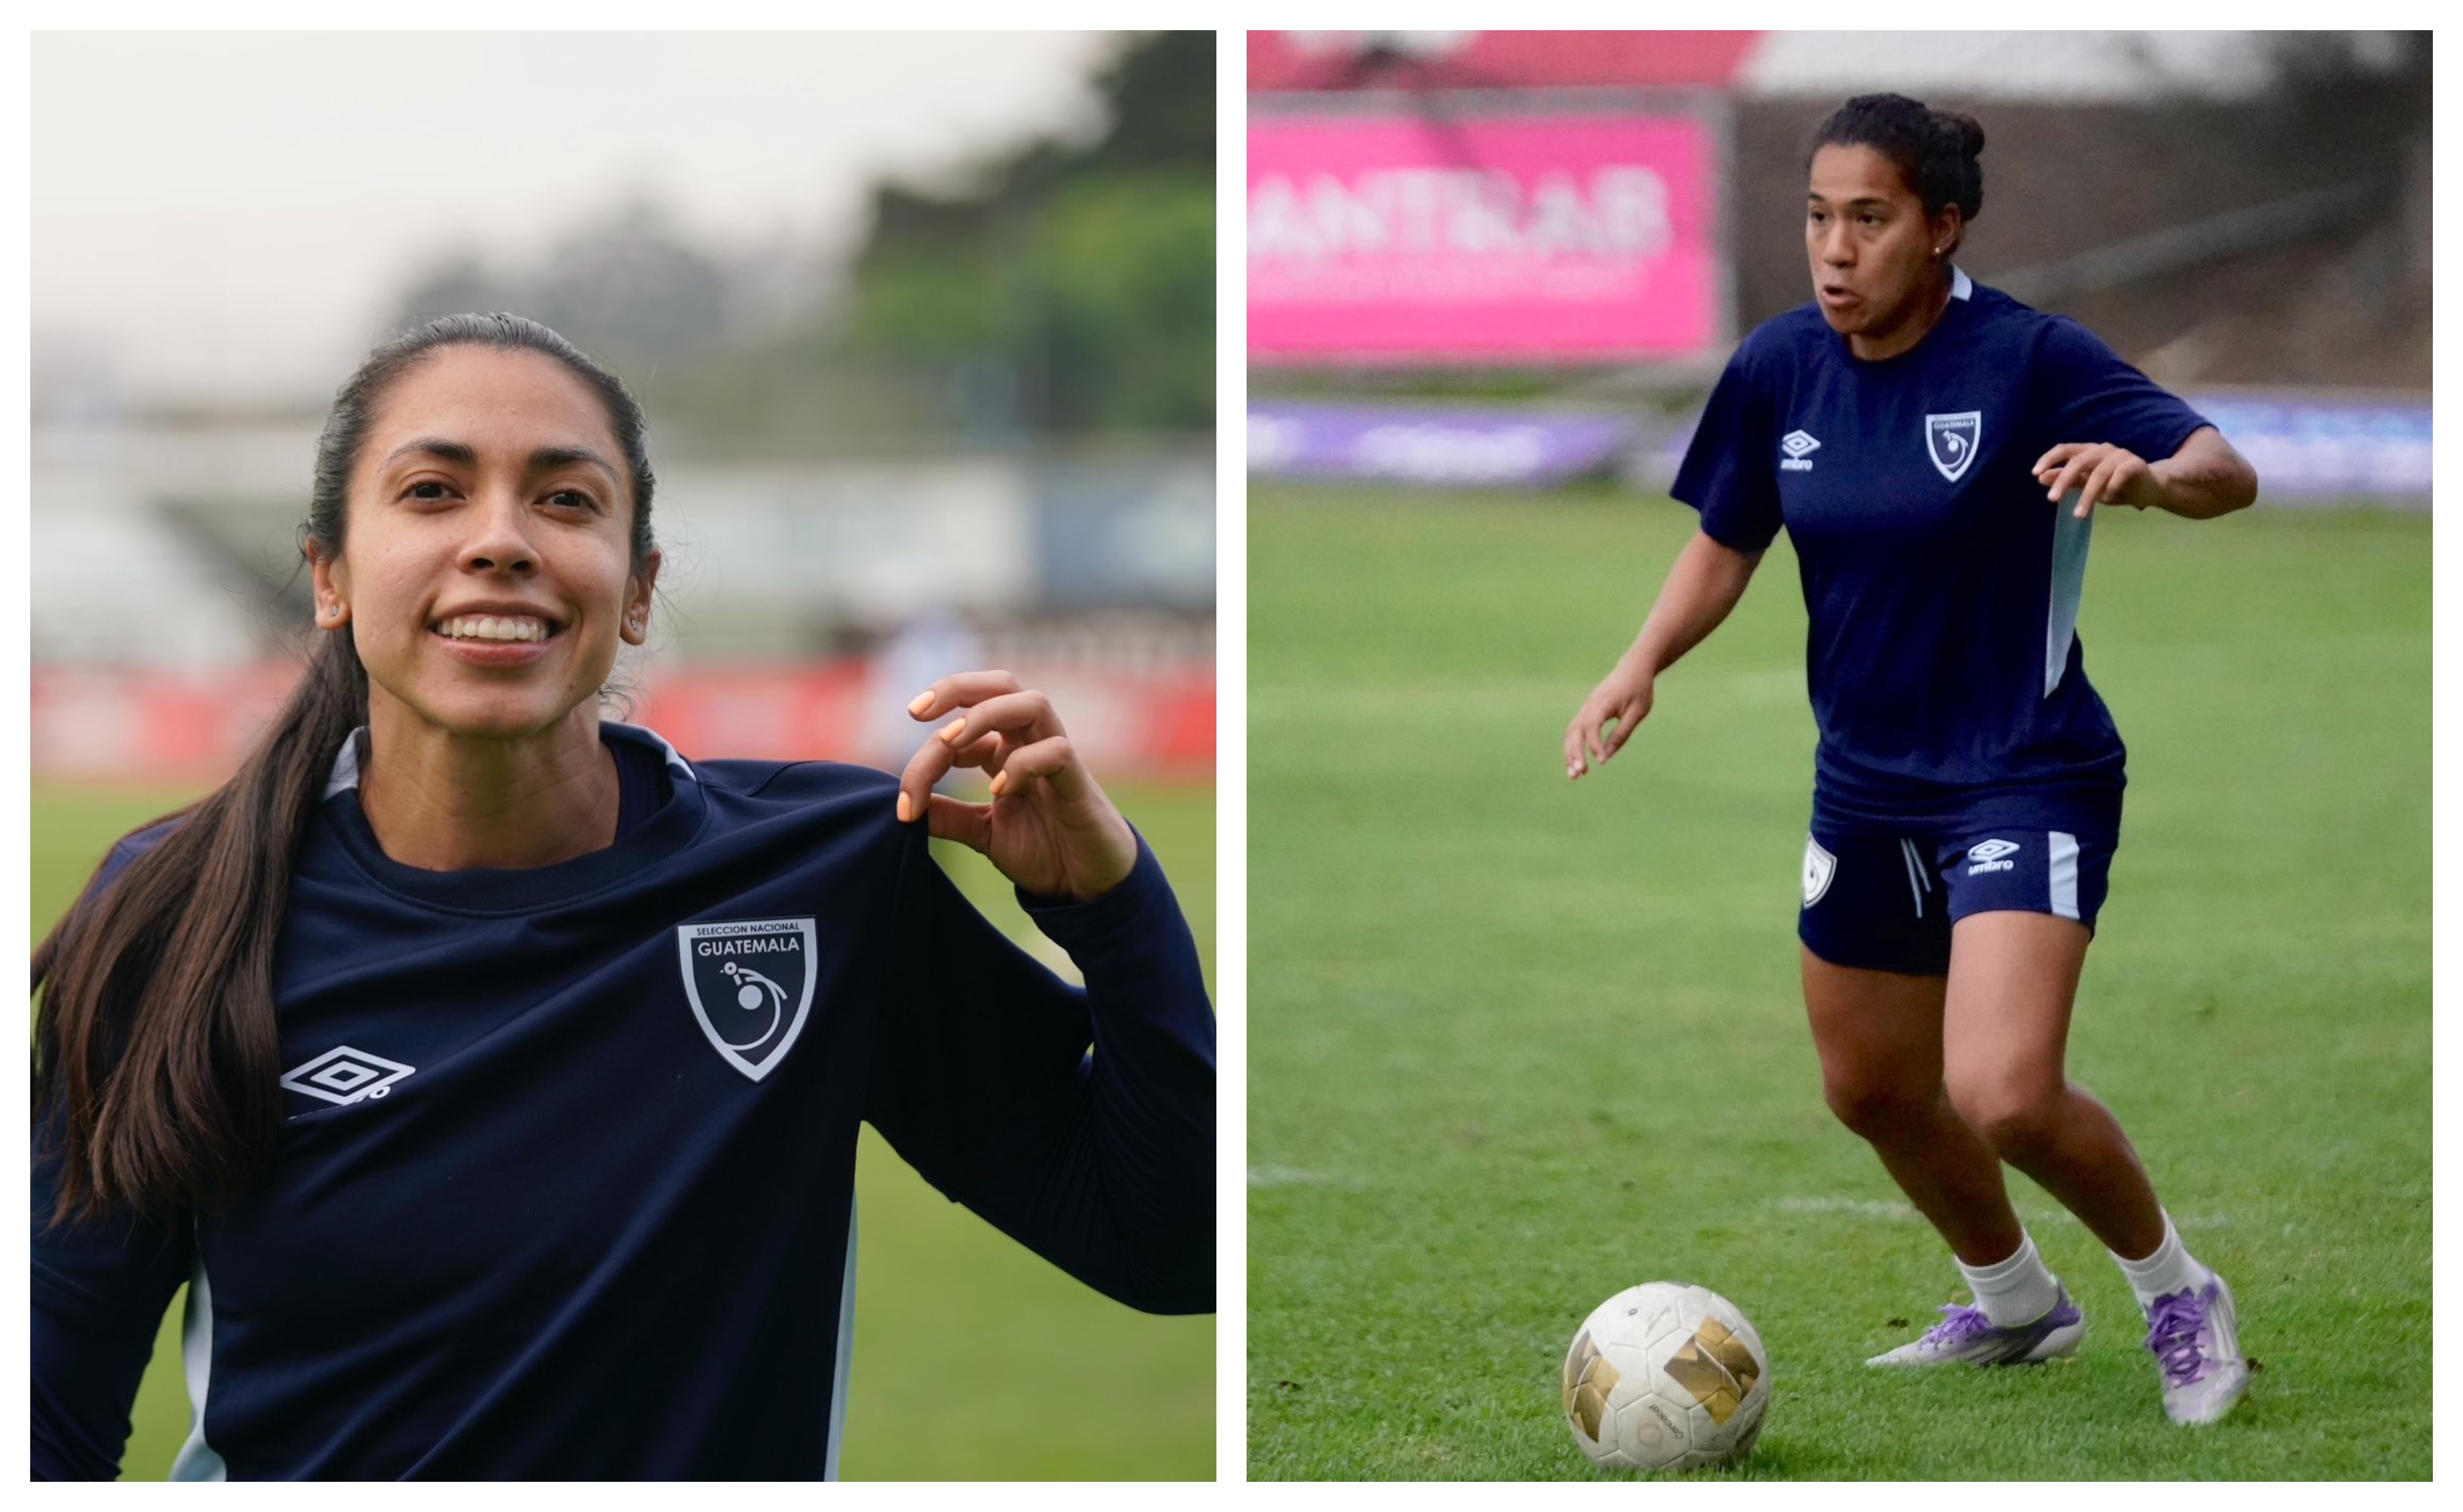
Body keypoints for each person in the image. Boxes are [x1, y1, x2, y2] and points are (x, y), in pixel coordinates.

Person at [31, 314, 1215, 1480]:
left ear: (639, 588)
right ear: (330, 575)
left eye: (565, 499)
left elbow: (1172, 1249)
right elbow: (44, 1415)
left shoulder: (821, 879)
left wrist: (1112, 913)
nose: (500, 541)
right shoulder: (176, 918)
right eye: (434, 491)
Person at [1561, 95, 2258, 1426]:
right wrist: (1640, 659)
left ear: (1943, 228)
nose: (1835, 250)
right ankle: (2013, 1306)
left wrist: (2154, 479)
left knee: (2001, 1091)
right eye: (1818, 217)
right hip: (1867, 781)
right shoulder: (1780, 369)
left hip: (2023, 768)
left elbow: (2227, 468)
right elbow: (1728, 539)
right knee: (1873, 1087)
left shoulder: (2031, 359)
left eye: (1869, 219)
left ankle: (2178, 1289)